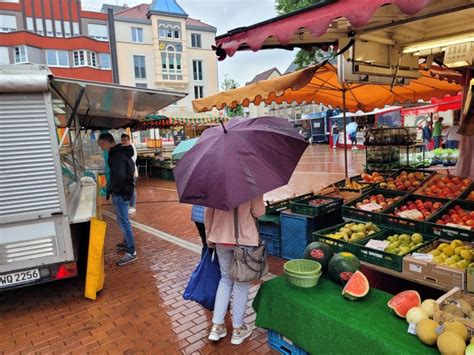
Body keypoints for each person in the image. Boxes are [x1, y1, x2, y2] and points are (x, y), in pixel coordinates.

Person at [206, 195, 265, 346]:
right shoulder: (251, 183)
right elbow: (259, 212)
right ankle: (238, 330)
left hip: (220, 237)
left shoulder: (215, 184)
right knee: (241, 282)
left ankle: (217, 326)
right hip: (244, 239)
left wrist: (209, 237)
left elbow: (209, 212)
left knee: (225, 279)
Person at [97, 133, 138, 266]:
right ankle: (127, 243)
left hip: (121, 193)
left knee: (124, 221)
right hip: (124, 191)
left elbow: (119, 176)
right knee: (123, 220)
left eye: (100, 145)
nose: (101, 148)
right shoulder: (122, 152)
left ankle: (131, 251)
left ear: (105, 142)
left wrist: (112, 190)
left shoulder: (117, 155)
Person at [121, 133, 138, 214]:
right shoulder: (123, 148)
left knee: (131, 189)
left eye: (125, 140)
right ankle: (127, 205)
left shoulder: (131, 148)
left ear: (129, 140)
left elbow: (131, 161)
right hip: (126, 173)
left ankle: (133, 206)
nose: (123, 142)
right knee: (127, 189)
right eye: (122, 140)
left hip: (132, 172)